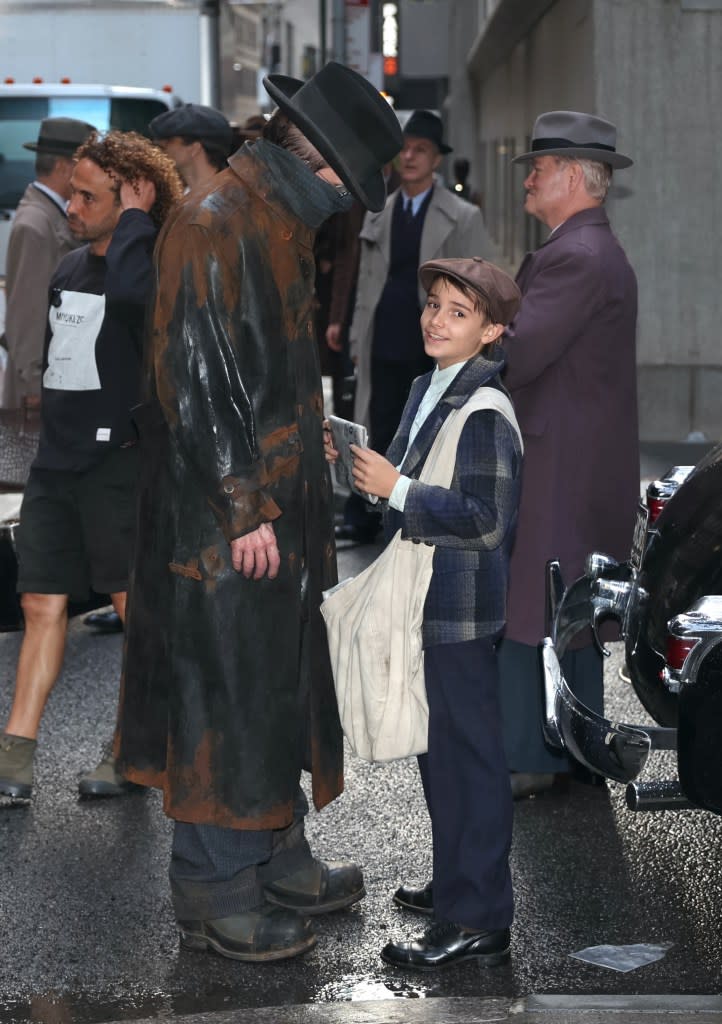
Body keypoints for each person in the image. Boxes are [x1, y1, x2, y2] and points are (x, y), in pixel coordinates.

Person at [115, 62, 403, 963]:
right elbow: (196, 385)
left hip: (271, 498)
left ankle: (276, 856)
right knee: (225, 700)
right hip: (227, 515)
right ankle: (215, 891)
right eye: (344, 189)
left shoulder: (267, 219)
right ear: (312, 166)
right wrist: (245, 510)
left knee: (272, 688)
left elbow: (256, 369)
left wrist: (309, 435)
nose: (344, 208)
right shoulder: (213, 226)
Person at [325, 256, 522, 969]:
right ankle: (457, 883)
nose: (437, 320)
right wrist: (365, 471)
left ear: (493, 331)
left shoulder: (487, 411)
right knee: (441, 757)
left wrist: (398, 487)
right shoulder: (425, 384)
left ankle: (478, 917)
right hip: (425, 597)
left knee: (468, 760)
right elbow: (405, 487)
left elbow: (487, 520)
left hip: (459, 607)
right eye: (433, 305)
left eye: (458, 313)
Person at [0, 131, 183, 802]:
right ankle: (15, 756)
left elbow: (137, 303)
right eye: (71, 191)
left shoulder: (156, 264)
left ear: (135, 196)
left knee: (135, 609)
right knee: (39, 600)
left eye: (89, 195)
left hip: (122, 463)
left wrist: (138, 222)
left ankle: (132, 752)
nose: (71, 205)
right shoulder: (69, 267)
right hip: (60, 459)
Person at [498, 110, 639, 799]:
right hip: (577, 455)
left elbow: (519, 354)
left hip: (558, 457)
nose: (529, 178)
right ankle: (576, 752)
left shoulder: (576, 255)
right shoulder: (589, 249)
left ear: (576, 179)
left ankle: (532, 753)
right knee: (568, 605)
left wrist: (476, 327)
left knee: (536, 599)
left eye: (540, 168)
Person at [339, 110, 496, 544]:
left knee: (427, 423)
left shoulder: (462, 217)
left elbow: (483, 281)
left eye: (420, 150)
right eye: (403, 149)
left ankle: (413, 506)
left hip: (434, 336)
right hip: (383, 334)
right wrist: (355, 336)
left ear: (437, 160)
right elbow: (365, 280)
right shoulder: (379, 212)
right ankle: (368, 508)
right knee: (379, 420)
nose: (409, 157)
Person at [1, 117, 95, 409]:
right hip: (39, 385)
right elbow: (26, 312)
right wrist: (33, 381)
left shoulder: (49, 215)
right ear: (63, 168)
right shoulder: (35, 224)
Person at [149, 102, 233, 191]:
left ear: (194, 148)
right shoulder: (181, 194)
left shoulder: (230, 198)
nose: (156, 150)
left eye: (167, 142)